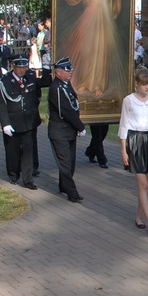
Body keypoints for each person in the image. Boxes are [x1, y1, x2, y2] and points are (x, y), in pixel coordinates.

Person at [61, 0, 125, 98]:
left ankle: (98, 85)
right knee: (87, 50)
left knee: (101, 50)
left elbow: (115, 0)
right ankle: (85, 81)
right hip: (89, 19)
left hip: (103, 21)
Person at [119, 68, 148, 235]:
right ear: (136, 84)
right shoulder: (128, 101)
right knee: (142, 184)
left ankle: (138, 217)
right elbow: (124, 125)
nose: (146, 87)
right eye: (143, 84)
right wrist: (124, 150)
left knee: (145, 186)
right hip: (134, 141)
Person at [0, 58, 40, 189]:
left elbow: (38, 91)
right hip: (13, 123)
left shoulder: (30, 78)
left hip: (28, 123)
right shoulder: (4, 81)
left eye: (25, 67)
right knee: (13, 152)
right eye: (19, 68)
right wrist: (5, 124)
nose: (22, 70)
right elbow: (0, 104)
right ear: (13, 67)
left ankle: (28, 179)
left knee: (28, 152)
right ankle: (13, 175)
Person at [48, 57, 86, 203]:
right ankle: (72, 193)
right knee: (64, 163)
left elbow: (73, 104)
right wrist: (80, 126)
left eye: (70, 69)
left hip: (69, 130)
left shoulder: (65, 84)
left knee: (71, 162)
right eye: (67, 70)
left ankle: (63, 185)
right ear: (58, 73)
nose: (70, 72)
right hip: (59, 131)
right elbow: (66, 110)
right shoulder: (56, 88)